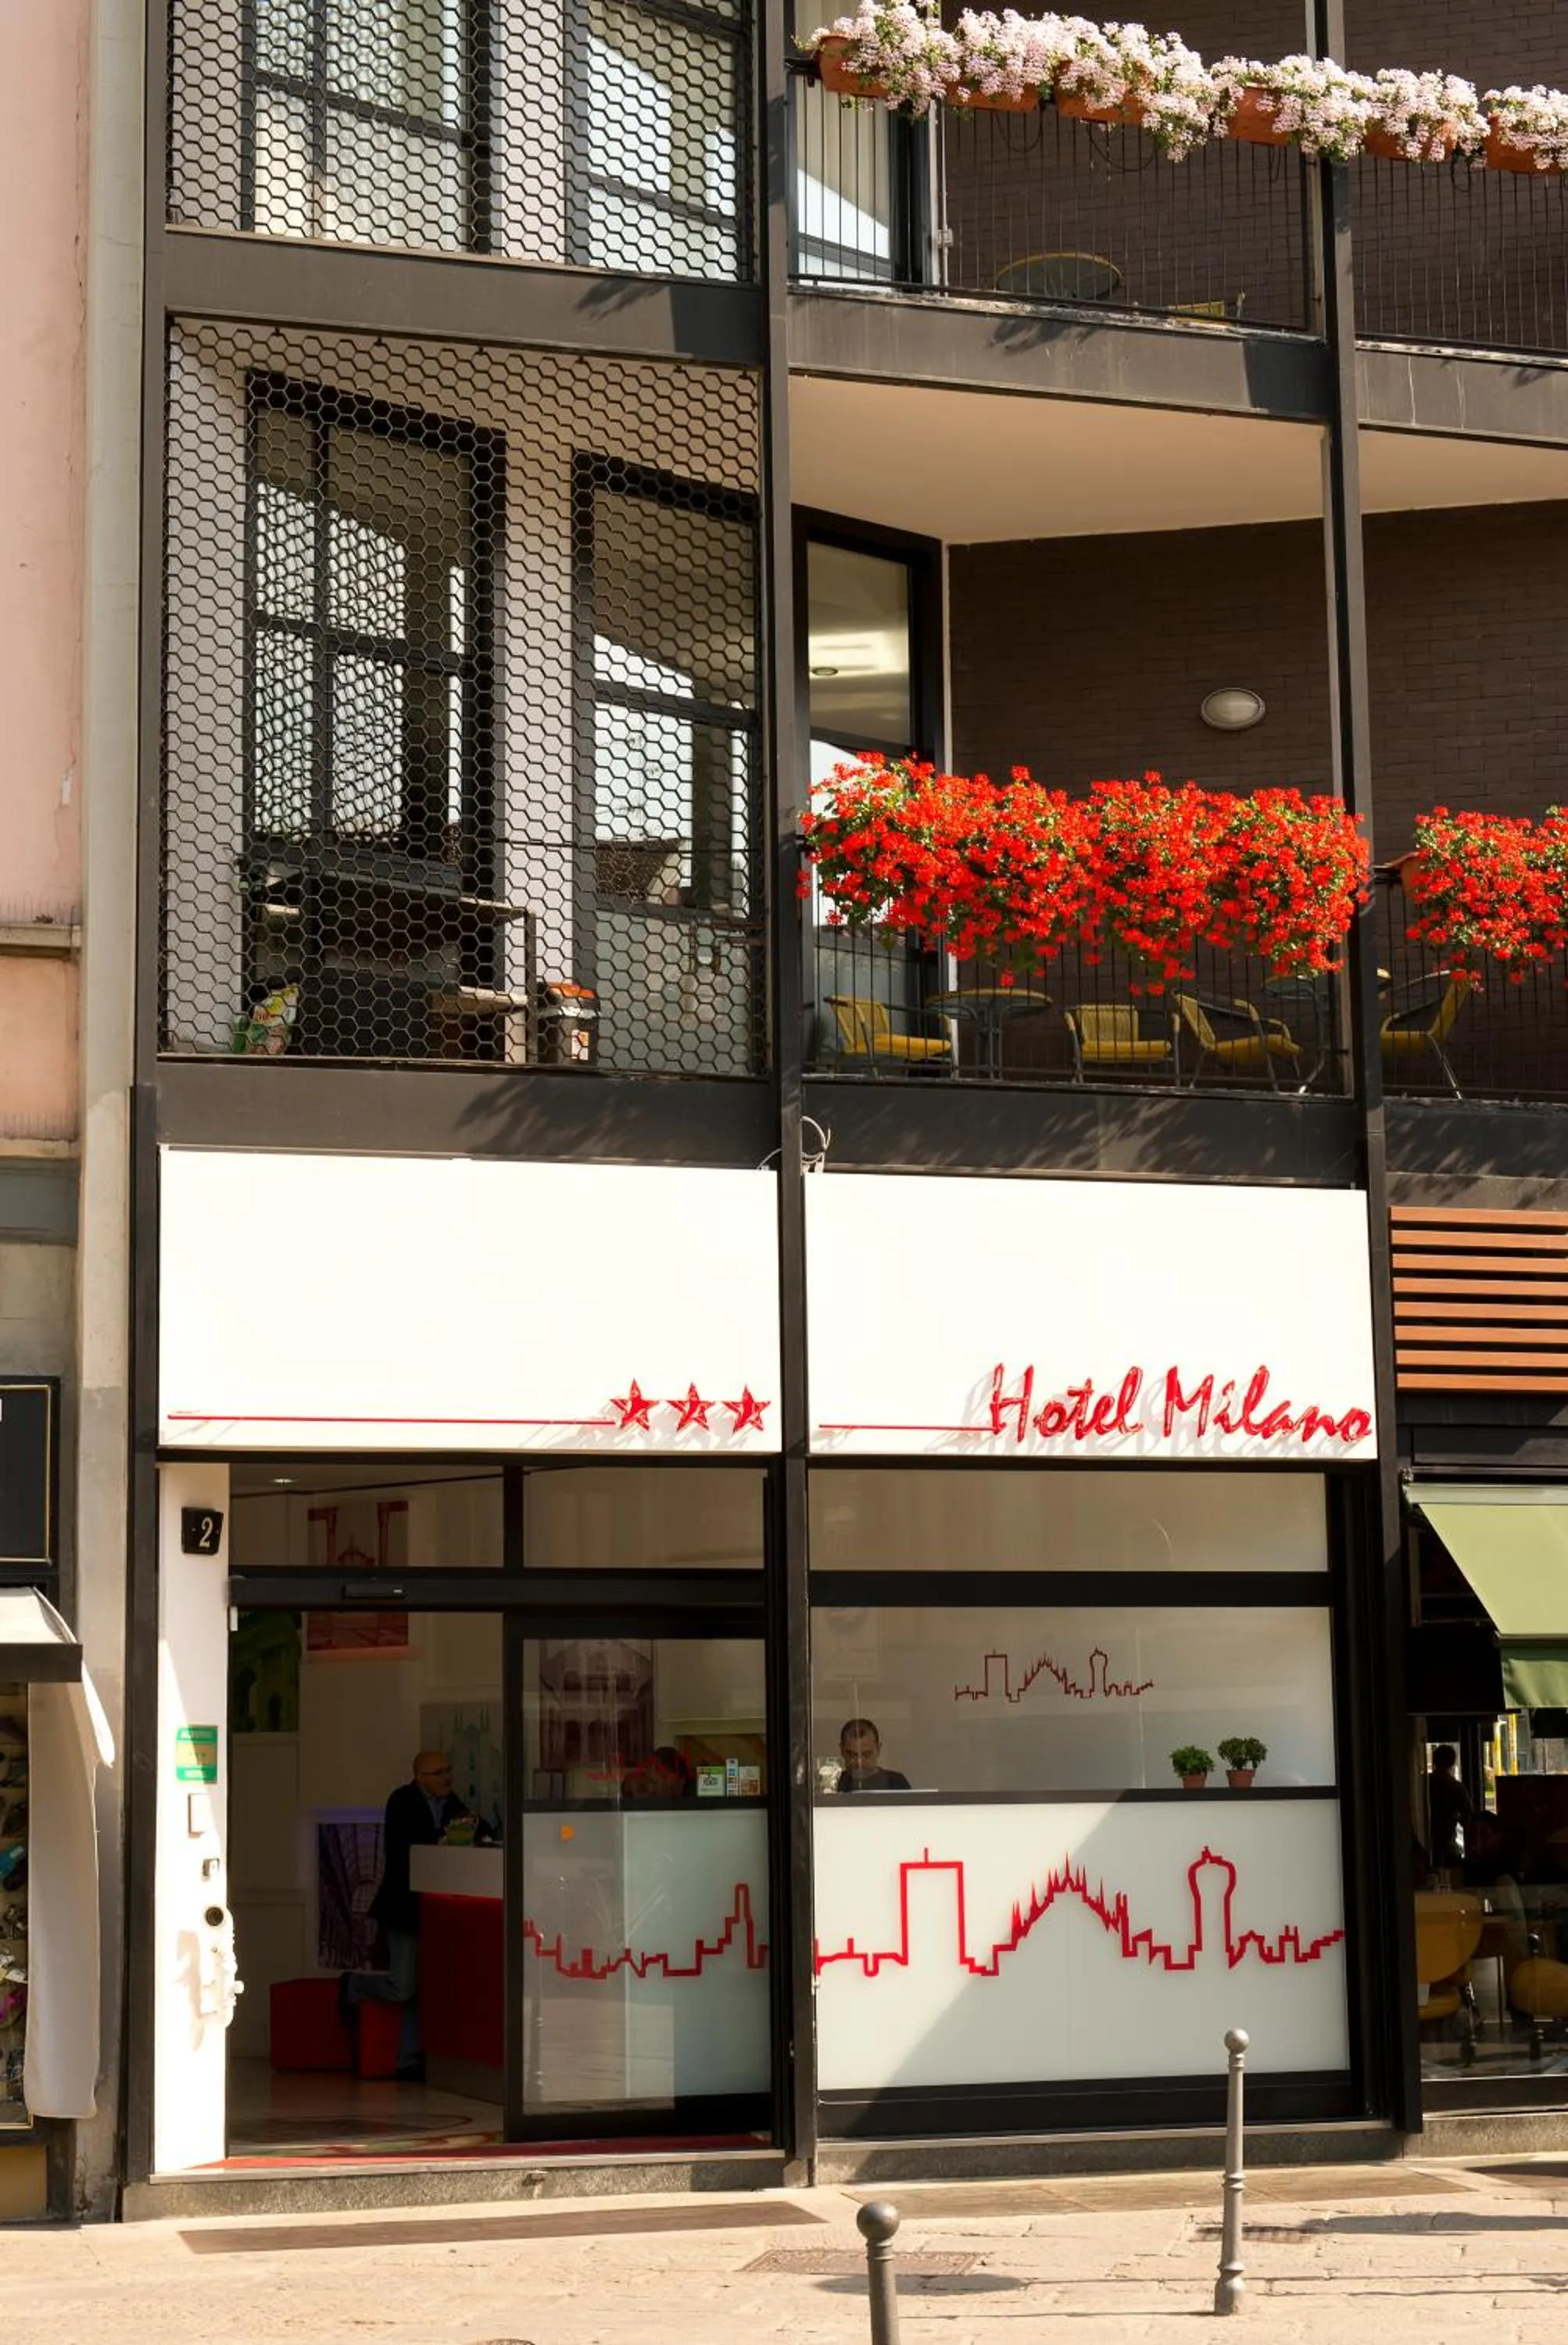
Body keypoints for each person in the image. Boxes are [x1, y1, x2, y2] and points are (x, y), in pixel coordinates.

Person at [342, 1751, 485, 2081]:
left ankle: (407, 2061)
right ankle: (353, 1984)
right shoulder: (402, 1801)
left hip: (435, 1909)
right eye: (438, 1773)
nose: (446, 1778)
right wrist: (444, 1842)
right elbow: (403, 1848)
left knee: (422, 1988)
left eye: (449, 1770)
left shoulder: (452, 1803)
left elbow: (475, 1825)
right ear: (420, 1777)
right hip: (403, 1907)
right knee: (403, 1986)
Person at [1427, 1744, 1474, 1871]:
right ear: (1453, 1762)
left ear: (1434, 1761)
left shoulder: (1423, 1784)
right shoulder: (1456, 1787)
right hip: (1447, 1847)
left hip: (1425, 1847)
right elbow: (1468, 1820)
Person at [836, 1717, 911, 1794]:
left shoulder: (896, 1782)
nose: (860, 1762)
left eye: (866, 1755)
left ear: (878, 1749)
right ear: (842, 1750)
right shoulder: (836, 1782)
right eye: (852, 1755)